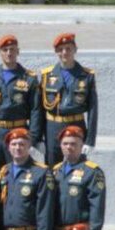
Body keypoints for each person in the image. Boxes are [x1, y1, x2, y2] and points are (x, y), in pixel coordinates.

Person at [0, 34, 43, 171]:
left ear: (18, 51)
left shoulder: (29, 78)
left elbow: (36, 110)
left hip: (18, 130)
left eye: (12, 49)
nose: (9, 53)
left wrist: (33, 139)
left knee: (18, 171)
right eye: (5, 50)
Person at [39, 33, 98, 166]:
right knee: (52, 169)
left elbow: (93, 110)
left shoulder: (86, 75)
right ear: (56, 52)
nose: (64, 52)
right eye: (60, 49)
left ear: (75, 50)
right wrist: (38, 138)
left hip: (76, 125)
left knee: (77, 168)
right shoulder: (46, 75)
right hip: (53, 127)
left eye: (68, 48)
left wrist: (90, 140)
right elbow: (40, 109)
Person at [51, 125, 106, 230]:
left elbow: (97, 206)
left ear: (81, 146)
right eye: (65, 144)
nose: (69, 147)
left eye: (73, 144)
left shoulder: (92, 172)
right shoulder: (56, 171)